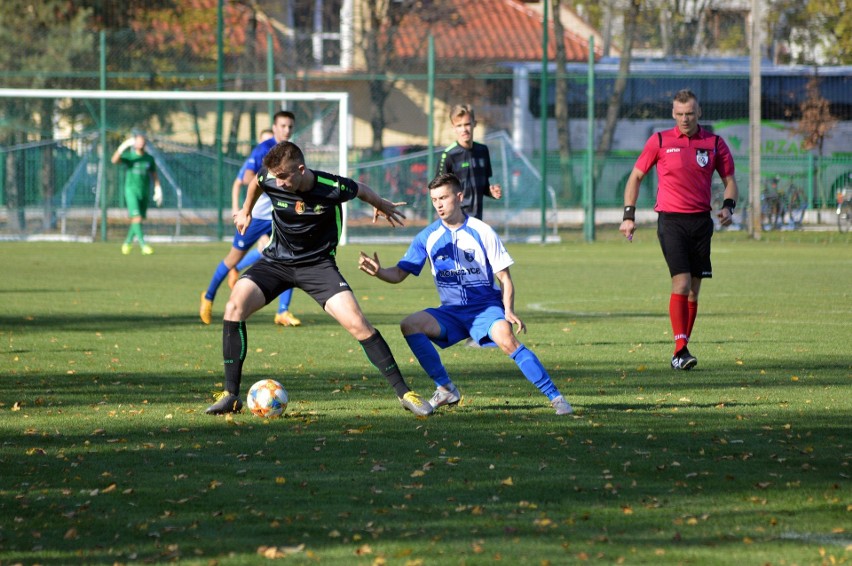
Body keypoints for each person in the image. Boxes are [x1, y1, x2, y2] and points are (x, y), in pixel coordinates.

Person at [205, 141, 433, 417]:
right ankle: (231, 395)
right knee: (234, 307)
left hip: (318, 266)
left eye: (284, 177)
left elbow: (360, 189)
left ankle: (405, 393)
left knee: (358, 324)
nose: (279, 182)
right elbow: (256, 181)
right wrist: (246, 210)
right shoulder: (272, 178)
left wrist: (381, 204)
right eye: (276, 177)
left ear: (301, 169)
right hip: (277, 261)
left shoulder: (332, 186)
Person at [357, 173, 572, 416]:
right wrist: (379, 272)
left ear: (459, 197)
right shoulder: (428, 237)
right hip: (452, 312)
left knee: (506, 339)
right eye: (434, 199)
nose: (438, 204)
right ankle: (446, 388)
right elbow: (398, 274)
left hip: (485, 308)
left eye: (444, 197)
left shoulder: (482, 231)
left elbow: (505, 278)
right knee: (410, 325)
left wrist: (508, 310)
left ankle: (556, 397)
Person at [619, 89, 739, 371]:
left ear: (699, 113)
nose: (684, 119)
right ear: (673, 114)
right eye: (679, 114)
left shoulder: (714, 143)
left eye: (690, 113)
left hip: (700, 222)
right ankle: (680, 349)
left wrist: (728, 207)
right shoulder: (660, 140)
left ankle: (681, 350)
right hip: (671, 221)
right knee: (682, 283)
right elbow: (636, 176)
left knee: (694, 292)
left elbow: (730, 180)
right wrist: (628, 215)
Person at [200, 111, 301, 327]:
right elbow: (247, 178)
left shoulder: (293, 153)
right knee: (232, 260)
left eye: (290, 126)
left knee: (289, 257)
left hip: (278, 216)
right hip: (257, 216)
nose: (287, 130)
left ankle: (283, 311)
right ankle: (208, 296)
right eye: (283, 126)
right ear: (274, 127)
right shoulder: (264, 150)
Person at [437, 104, 502, 220]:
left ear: (474, 124)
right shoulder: (448, 155)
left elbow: (484, 186)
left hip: (477, 220)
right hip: (456, 221)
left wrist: (491, 192)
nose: (464, 129)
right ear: (453, 127)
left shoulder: (483, 151)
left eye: (467, 124)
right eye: (459, 125)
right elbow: (439, 192)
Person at [111, 133, 162, 255]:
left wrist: (158, 188)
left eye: (142, 141)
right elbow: (114, 160)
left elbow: (154, 175)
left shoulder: (149, 158)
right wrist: (123, 146)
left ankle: (127, 243)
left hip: (144, 191)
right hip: (131, 191)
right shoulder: (130, 157)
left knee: (137, 219)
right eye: (138, 141)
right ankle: (143, 245)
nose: (141, 143)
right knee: (137, 217)